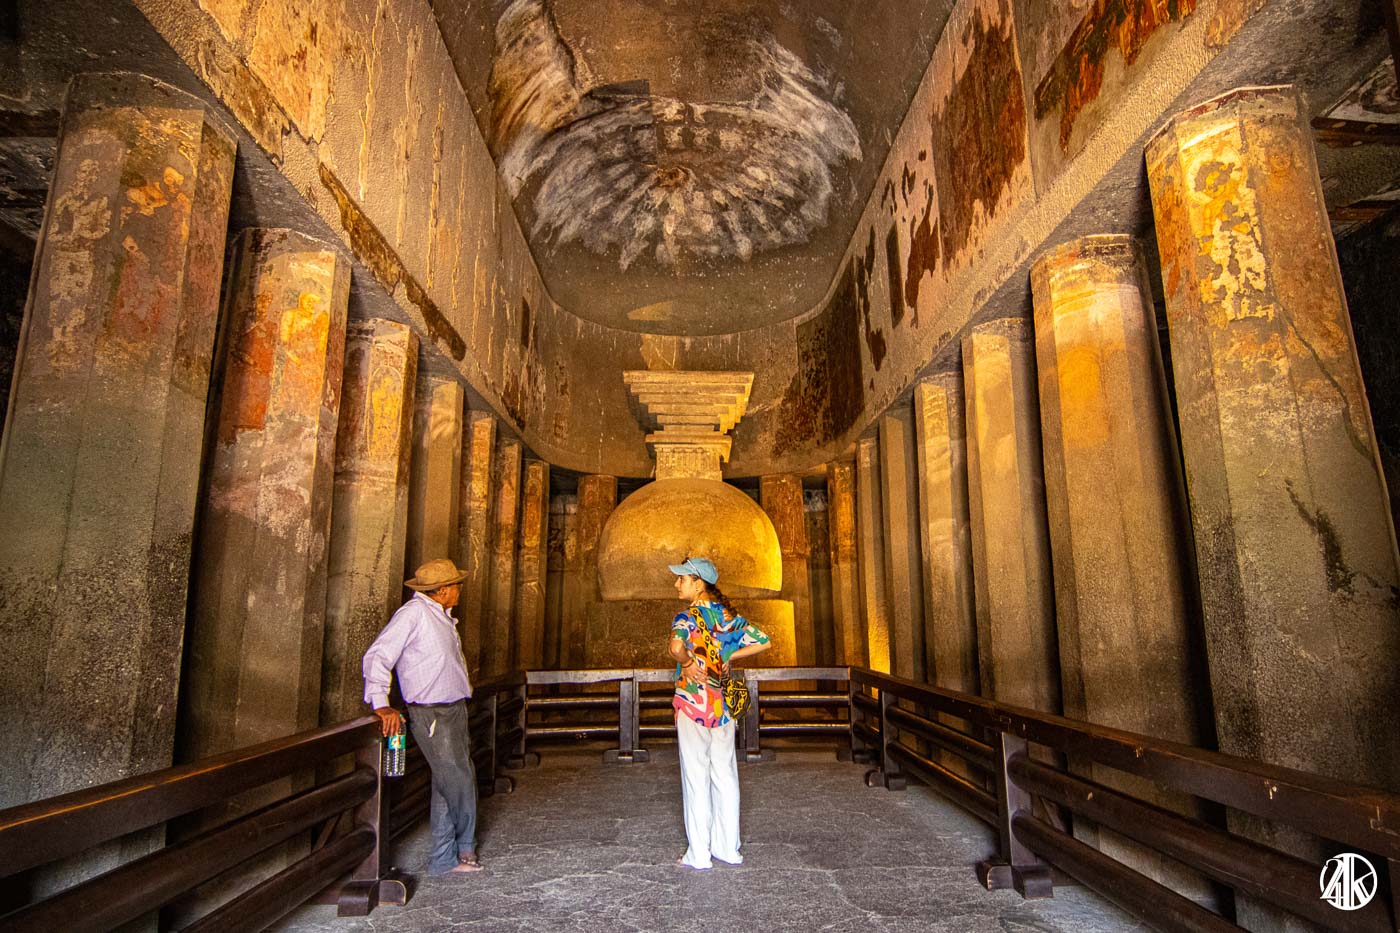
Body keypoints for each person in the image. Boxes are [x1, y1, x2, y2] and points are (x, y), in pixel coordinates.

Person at [362, 557, 482, 875]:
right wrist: (380, 702)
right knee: (459, 778)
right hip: (431, 713)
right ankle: (465, 846)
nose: (459, 590)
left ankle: (443, 858)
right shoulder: (413, 614)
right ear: (442, 590)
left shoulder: (441, 616)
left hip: (453, 708)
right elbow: (378, 655)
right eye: (456, 585)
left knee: (446, 781)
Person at [667, 556, 771, 870]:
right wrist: (729, 657)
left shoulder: (686, 617)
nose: (677, 583)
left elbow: (675, 648)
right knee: (725, 774)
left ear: (698, 583)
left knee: (696, 776)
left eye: (682, 578)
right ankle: (729, 849)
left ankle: (699, 854)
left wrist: (687, 662)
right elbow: (763, 641)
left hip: (693, 704)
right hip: (723, 706)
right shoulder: (728, 618)